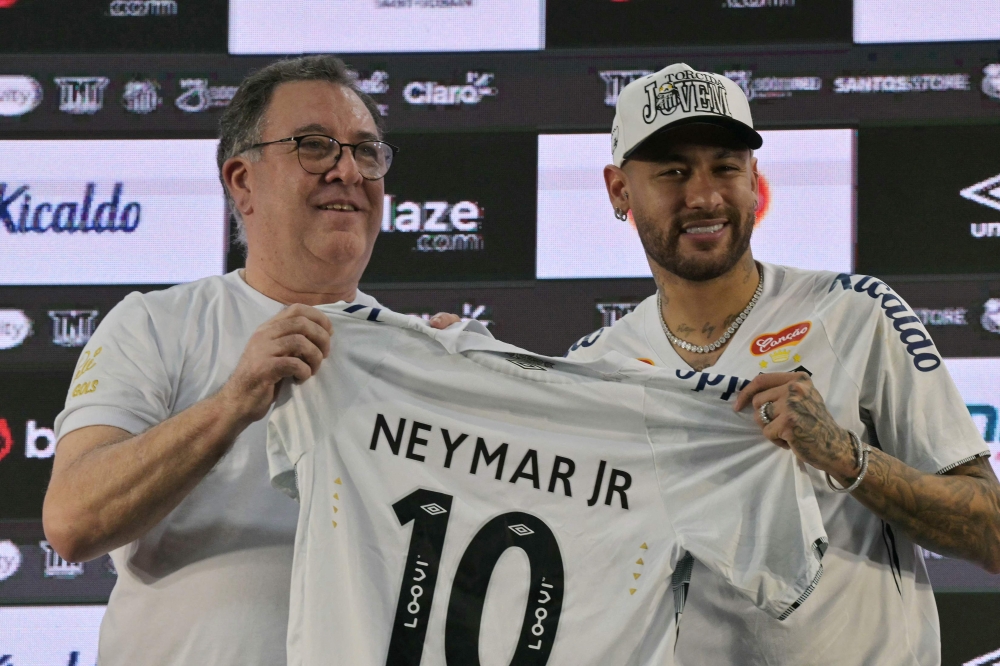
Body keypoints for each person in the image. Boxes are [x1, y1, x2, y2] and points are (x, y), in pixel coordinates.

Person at [567, 63, 1000, 665]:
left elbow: (992, 533)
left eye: (725, 166)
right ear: (619, 190)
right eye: (672, 171)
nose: (704, 196)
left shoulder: (853, 314)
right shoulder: (593, 369)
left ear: (754, 181)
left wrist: (848, 459)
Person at [42, 55, 460, 665]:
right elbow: (73, 520)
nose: (348, 170)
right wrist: (234, 402)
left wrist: (472, 392)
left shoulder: (426, 357)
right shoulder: (158, 324)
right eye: (315, 147)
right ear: (242, 181)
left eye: (366, 151)